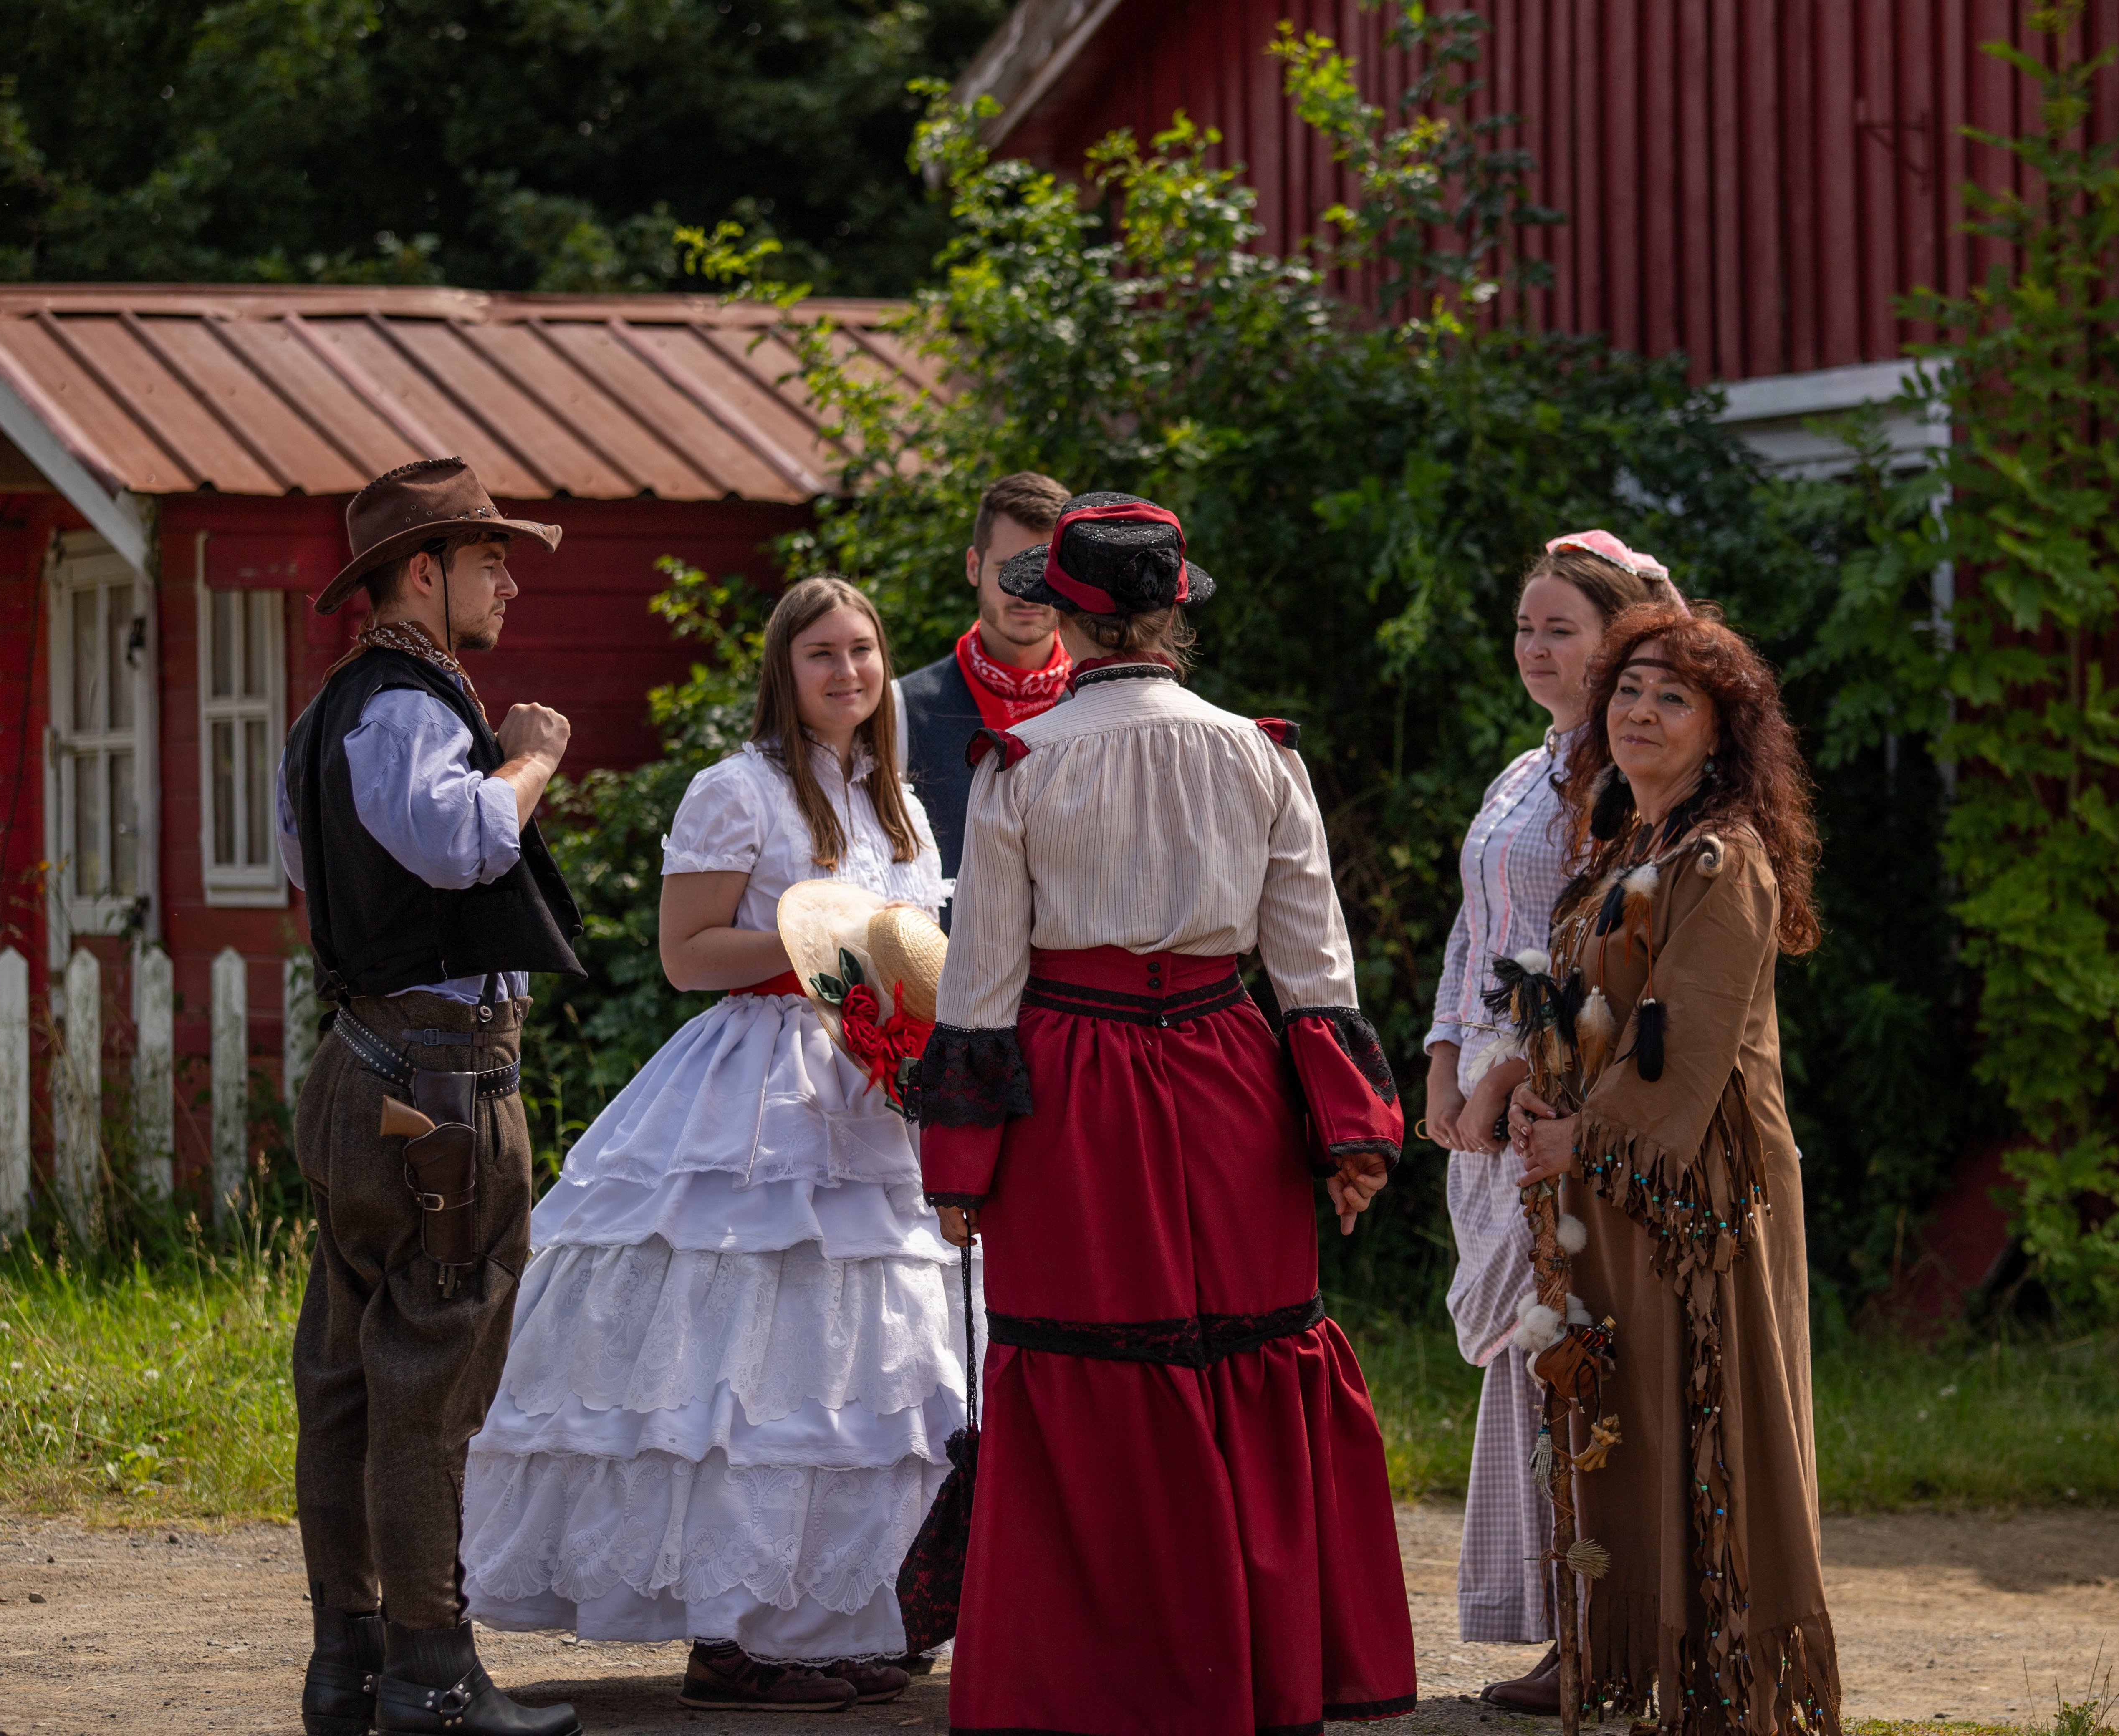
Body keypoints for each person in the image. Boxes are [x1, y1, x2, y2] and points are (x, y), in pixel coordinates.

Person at [910, 492, 1417, 1735]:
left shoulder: (1018, 767)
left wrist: (961, 1165)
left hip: (1073, 1085)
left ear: (1070, 620)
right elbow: (1316, 970)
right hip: (1229, 1073)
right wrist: (1348, 1137)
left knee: (1088, 1358)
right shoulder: (1263, 752)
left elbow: (979, 985)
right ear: (1172, 618)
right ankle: (1256, 1669)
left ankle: (1101, 1677)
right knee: (1248, 1346)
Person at [459, 576, 967, 1711]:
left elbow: (916, 956)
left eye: (865, 652)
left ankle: (844, 1615)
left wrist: (895, 998)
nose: (848, 673)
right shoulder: (736, 791)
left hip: (874, 1079)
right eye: (822, 655)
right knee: (751, 1355)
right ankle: (735, 1633)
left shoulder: (903, 808)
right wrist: (812, 948)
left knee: (870, 1361)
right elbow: (688, 954)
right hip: (760, 1085)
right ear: (784, 673)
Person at [278, 456, 587, 1736]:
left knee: (347, 1372)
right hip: (440, 1090)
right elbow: (460, 841)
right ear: (426, 572)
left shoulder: (328, 717)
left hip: (367, 1066)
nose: (510, 582)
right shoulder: (408, 708)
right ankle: (431, 1674)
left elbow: (312, 868)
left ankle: (348, 1661)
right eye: (490, 560)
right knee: (426, 1382)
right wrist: (529, 760)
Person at [1505, 603, 1838, 1733]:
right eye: (1629, 691)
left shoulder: (1724, 858)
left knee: (1713, 1421)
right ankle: (1644, 1667)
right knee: (1635, 1417)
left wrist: (1579, 1134)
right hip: (1618, 1176)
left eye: (1674, 697)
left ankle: (1729, 1689)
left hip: (1705, 1193)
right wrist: (1538, 1094)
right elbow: (1594, 1011)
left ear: (1720, 731)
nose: (1641, 713)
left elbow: (1687, 1047)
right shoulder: (1625, 845)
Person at [1422, 532, 1680, 1677]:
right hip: (1478, 1086)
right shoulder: (1522, 773)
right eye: (1525, 626)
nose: (1535, 646)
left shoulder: (1624, 786)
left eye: (1560, 628)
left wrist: (1513, 1073)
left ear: (1614, 640)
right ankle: (1559, 1625)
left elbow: (1599, 955)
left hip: (1552, 1088)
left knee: (1562, 1343)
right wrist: (1438, 1057)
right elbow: (1474, 930)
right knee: (1522, 1353)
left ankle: (1597, 1629)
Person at [895, 471, 1073, 886]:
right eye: (1007, 568)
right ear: (974, 567)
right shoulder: (902, 709)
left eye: (1043, 569)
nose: (1025, 591)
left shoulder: (1104, 699)